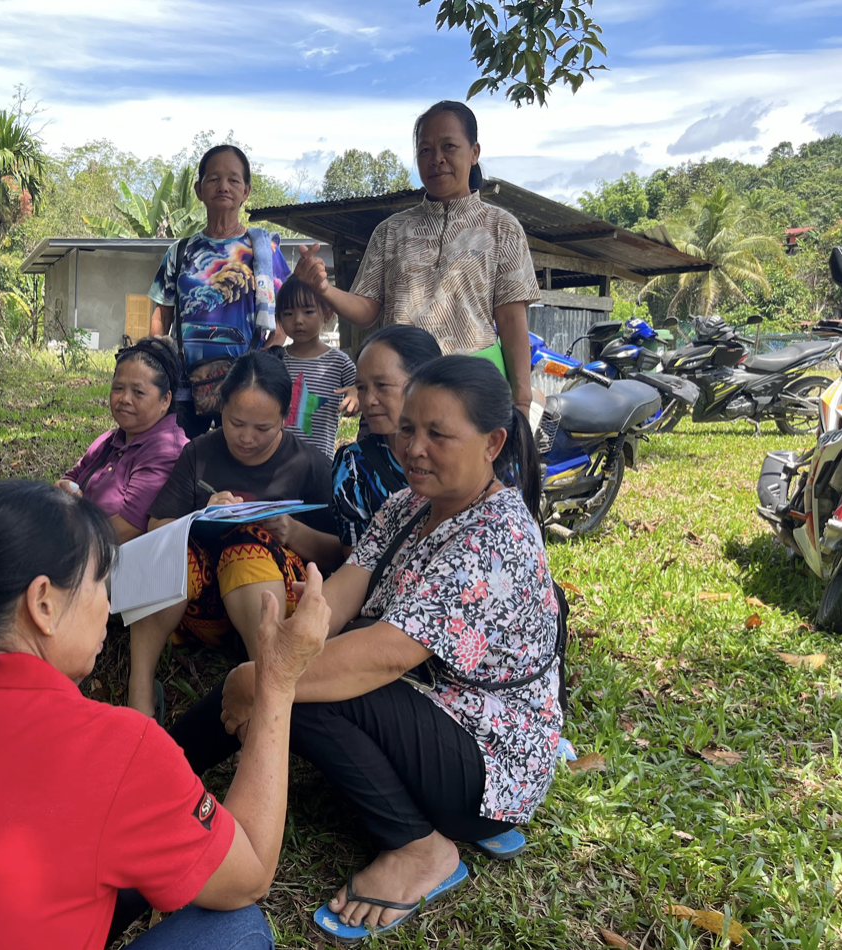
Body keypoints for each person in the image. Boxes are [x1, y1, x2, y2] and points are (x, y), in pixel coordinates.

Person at [0, 480, 333, 950]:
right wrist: (278, 680)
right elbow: (251, 871)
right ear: (43, 603)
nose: (108, 602)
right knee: (234, 929)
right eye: (101, 581)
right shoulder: (115, 750)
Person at [171, 356, 563, 943]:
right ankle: (164, 769)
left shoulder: (498, 535)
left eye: (438, 434)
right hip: (432, 704)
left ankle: (421, 849)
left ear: (494, 442)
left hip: (489, 757)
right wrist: (273, 662)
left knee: (301, 692)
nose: (415, 448)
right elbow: (347, 588)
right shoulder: (410, 504)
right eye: (409, 429)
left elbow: (382, 656)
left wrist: (261, 679)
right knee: (292, 679)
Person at [127, 351, 342, 721]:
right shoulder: (199, 453)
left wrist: (293, 531)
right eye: (235, 422)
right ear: (220, 408)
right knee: (168, 553)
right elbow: (156, 530)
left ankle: (265, 688)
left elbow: (340, 555)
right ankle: (140, 692)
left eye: (263, 429)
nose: (246, 438)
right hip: (201, 612)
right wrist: (201, 515)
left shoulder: (310, 464)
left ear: (284, 419)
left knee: (247, 547)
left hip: (275, 610)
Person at [292, 101, 541, 414]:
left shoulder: (502, 228)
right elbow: (368, 310)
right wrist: (323, 288)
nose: (436, 159)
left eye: (448, 146)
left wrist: (520, 401)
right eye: (425, 150)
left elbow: (510, 320)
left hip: (471, 390)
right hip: (397, 390)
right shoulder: (391, 231)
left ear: (474, 152)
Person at [148, 145, 291, 439]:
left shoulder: (265, 250)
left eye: (234, 180)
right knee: (182, 460)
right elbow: (161, 316)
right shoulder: (180, 251)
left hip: (244, 384)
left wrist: (260, 366)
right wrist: (160, 361)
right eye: (213, 179)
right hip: (186, 387)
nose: (223, 186)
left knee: (240, 461)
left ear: (246, 191)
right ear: (199, 190)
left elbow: (284, 318)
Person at [58, 337, 188, 543]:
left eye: (138, 392)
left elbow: (129, 527)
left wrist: (66, 537)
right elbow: (71, 477)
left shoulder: (166, 451)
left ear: (165, 400)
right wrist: (62, 488)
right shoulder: (111, 439)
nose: (125, 399)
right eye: (118, 388)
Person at [332, 325, 441, 556]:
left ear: (425, 382)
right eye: (361, 388)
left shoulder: (468, 458)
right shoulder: (354, 466)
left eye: (382, 385)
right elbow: (357, 563)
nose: (369, 400)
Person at [276, 275, 358, 459]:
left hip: (320, 461)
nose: (298, 320)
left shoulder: (339, 362)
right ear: (279, 317)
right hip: (278, 461)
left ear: (327, 314)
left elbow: (362, 388)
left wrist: (355, 393)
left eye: (308, 312)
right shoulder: (277, 359)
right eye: (288, 313)